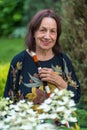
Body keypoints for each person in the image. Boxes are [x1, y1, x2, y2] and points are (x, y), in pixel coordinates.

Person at [4, 9, 81, 103]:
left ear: (57, 35)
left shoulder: (63, 60)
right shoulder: (19, 61)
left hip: (57, 118)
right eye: (42, 30)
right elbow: (8, 100)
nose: (47, 36)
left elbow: (76, 98)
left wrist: (59, 82)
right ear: (33, 33)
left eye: (52, 31)